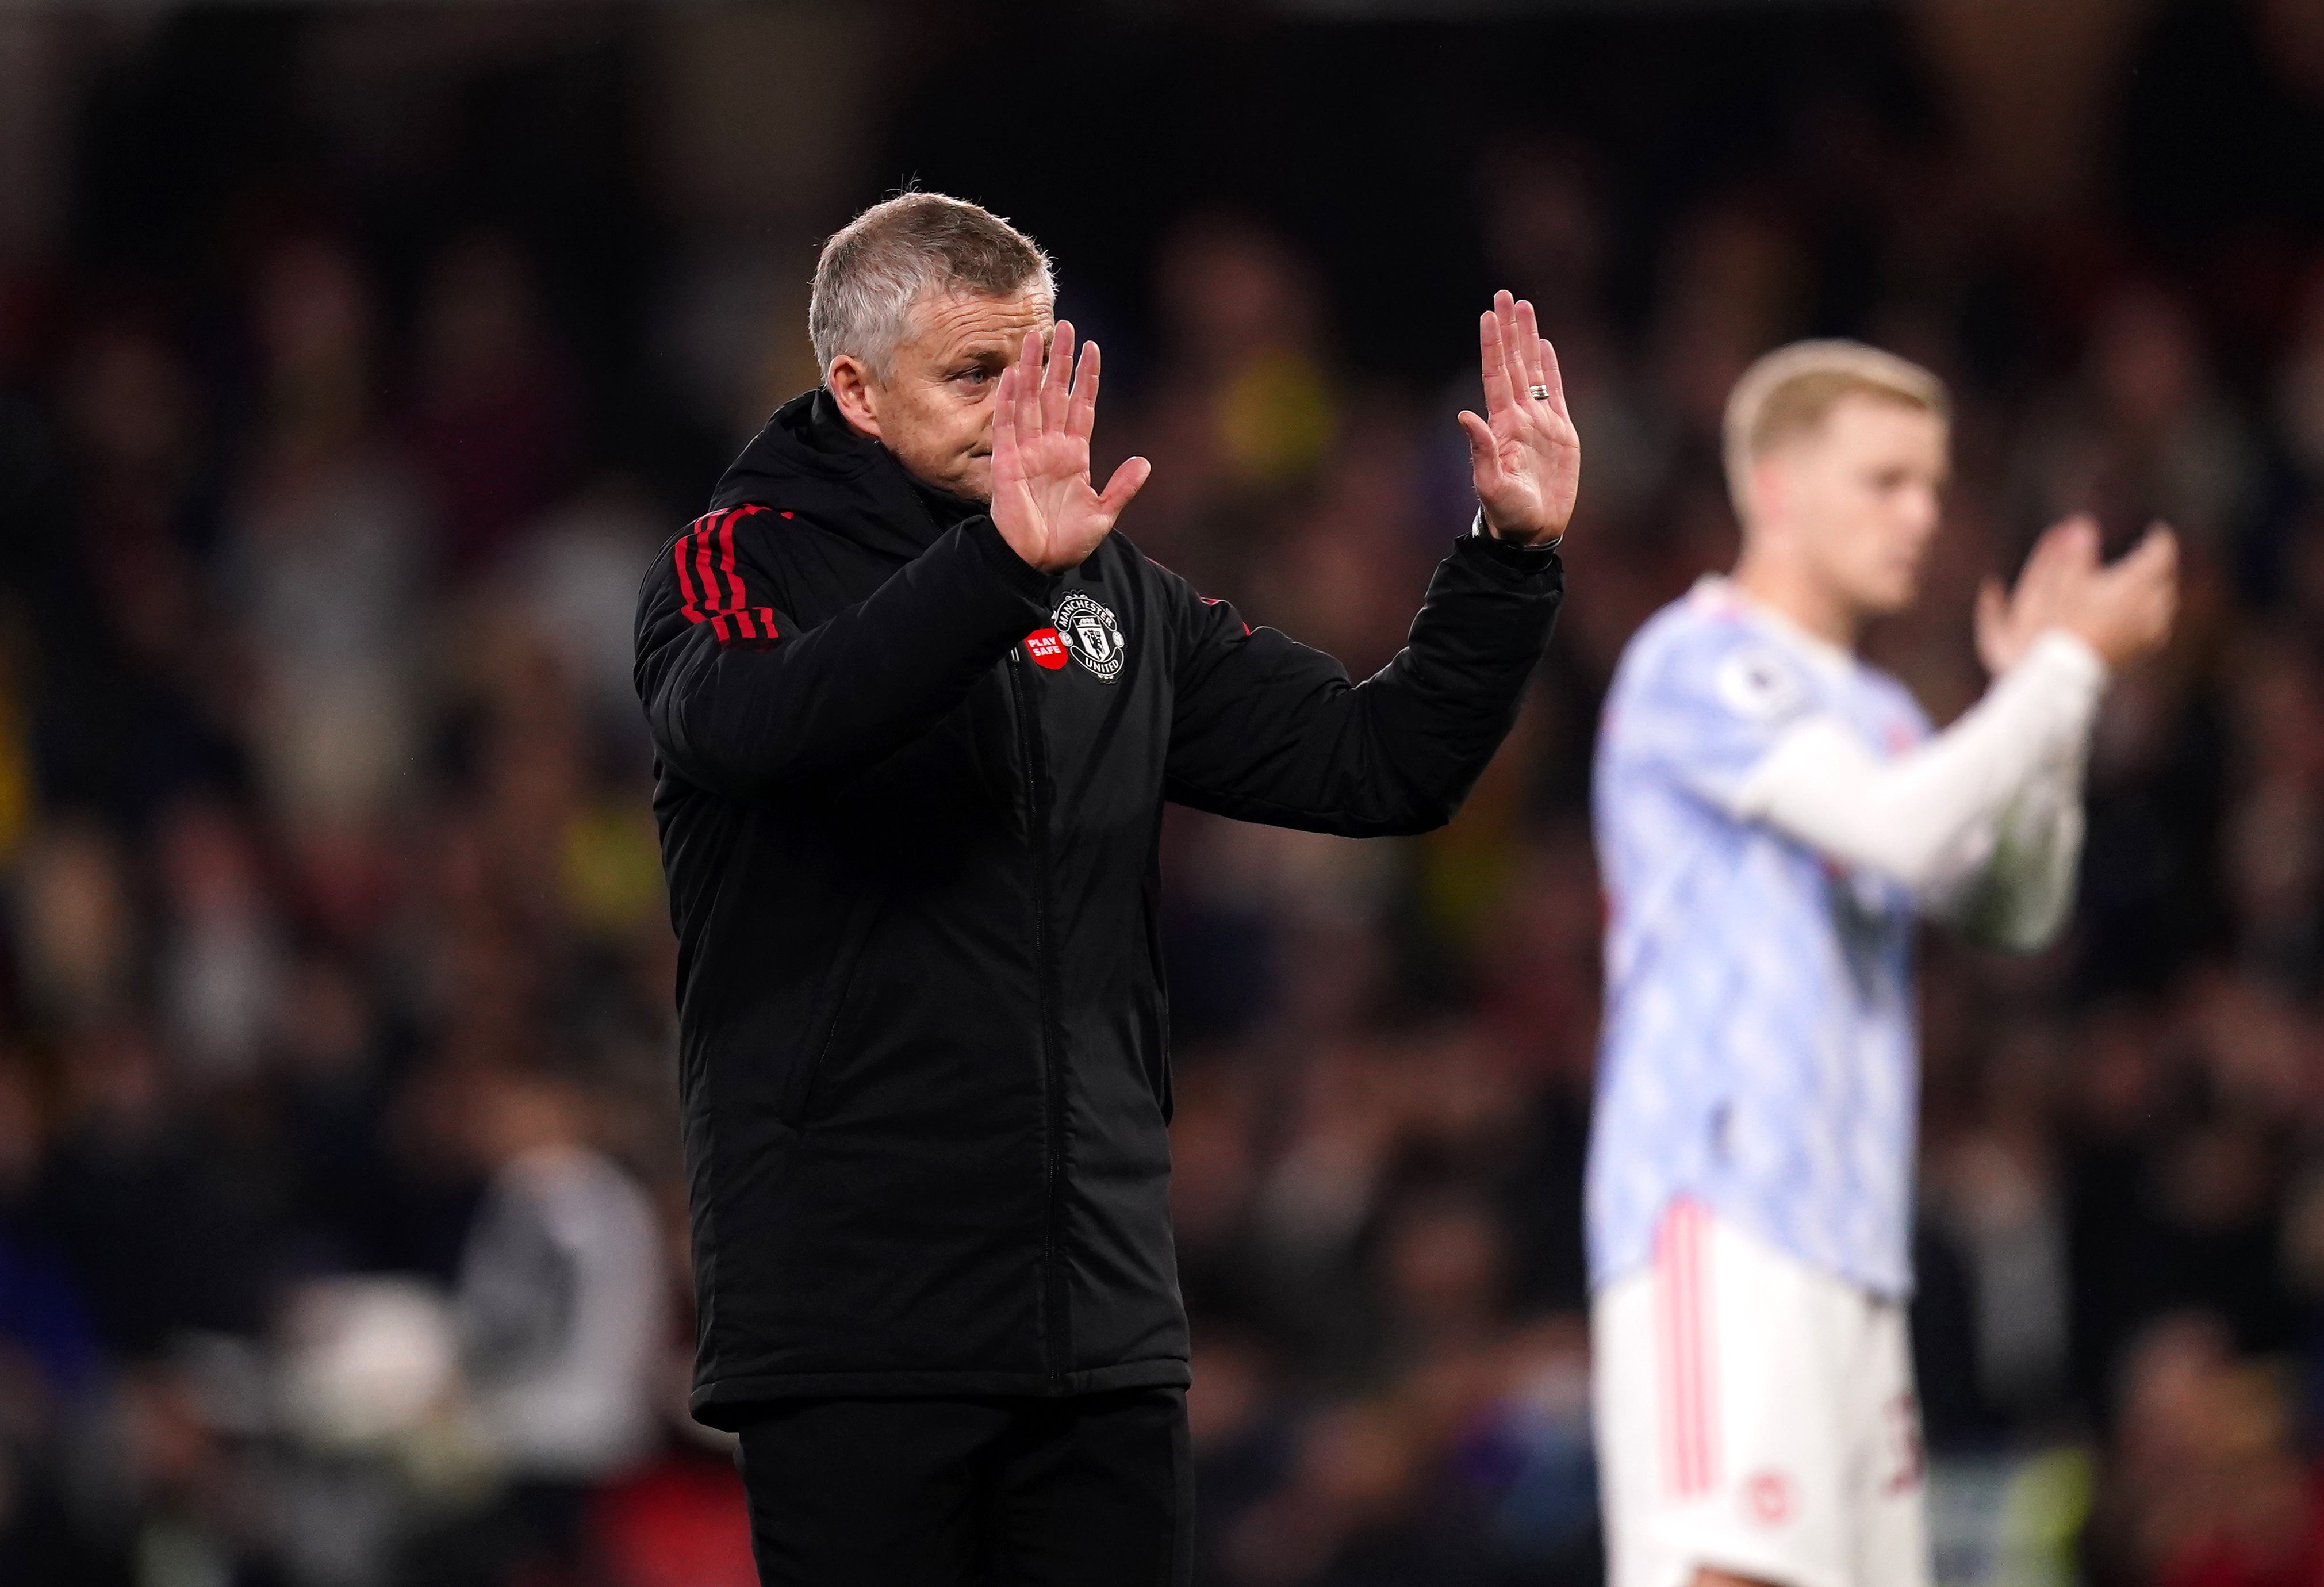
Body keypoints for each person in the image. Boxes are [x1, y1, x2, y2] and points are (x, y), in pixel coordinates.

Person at [631, 191, 1579, 1586]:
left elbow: (1378, 766)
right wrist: (997, 575)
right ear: (853, 389)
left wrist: (1509, 563)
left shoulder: (1102, 590)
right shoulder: (736, 562)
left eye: (1029, 370)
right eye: (968, 377)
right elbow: (767, 729)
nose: (1013, 413)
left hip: (1099, 1323)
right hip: (856, 1327)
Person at [1586, 340, 2178, 1587]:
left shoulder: (1882, 721)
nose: (1921, 514)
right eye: (1884, 480)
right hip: (1719, 1214)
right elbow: (1898, 834)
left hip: (1852, 1243)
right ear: (1773, 486)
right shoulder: (1692, 663)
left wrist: (2043, 715)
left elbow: (2014, 908)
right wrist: (2066, 672)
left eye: (1932, 484)